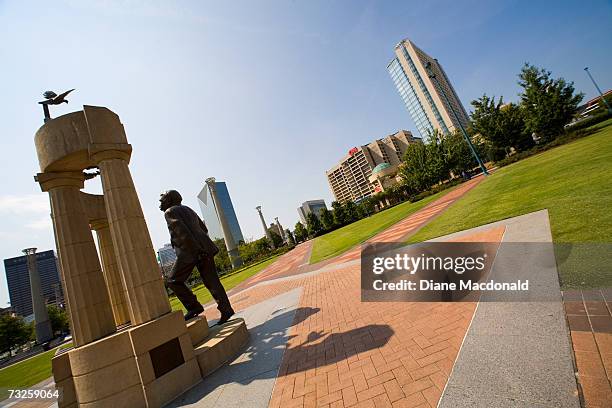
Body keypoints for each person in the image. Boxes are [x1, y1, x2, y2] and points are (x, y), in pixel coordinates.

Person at [159, 190, 235, 323]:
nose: (160, 202)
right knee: (212, 282)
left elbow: (182, 233)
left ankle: (194, 307)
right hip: (205, 248)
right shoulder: (189, 209)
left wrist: (197, 250)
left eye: (163, 199)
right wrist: (202, 247)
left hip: (191, 251)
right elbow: (203, 229)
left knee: (172, 280)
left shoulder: (169, 212)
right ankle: (226, 310)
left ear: (170, 200)